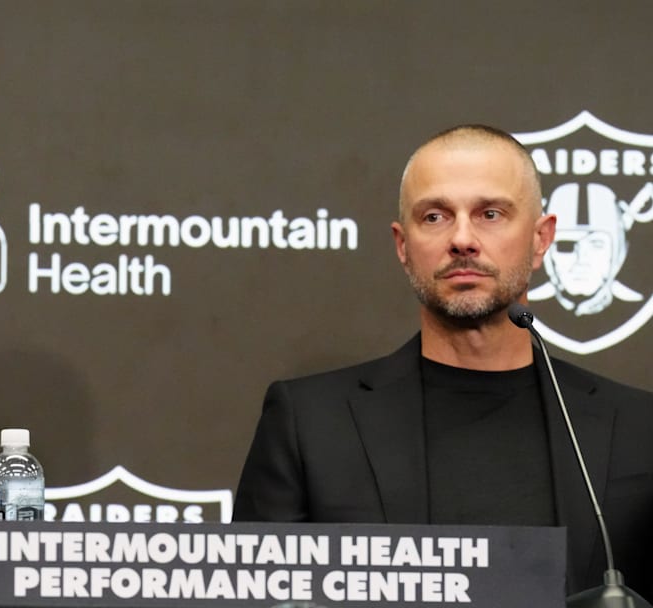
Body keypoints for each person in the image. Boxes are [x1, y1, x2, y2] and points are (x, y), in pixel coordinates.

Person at [234, 124, 653, 597]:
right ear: (402, 246)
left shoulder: (640, 428)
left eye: (490, 214)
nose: (462, 239)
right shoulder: (309, 425)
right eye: (434, 216)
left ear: (541, 239)